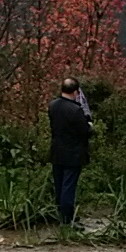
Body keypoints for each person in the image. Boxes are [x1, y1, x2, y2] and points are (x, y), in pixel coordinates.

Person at [48, 78, 94, 228]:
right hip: (73, 153)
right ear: (75, 92)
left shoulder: (52, 106)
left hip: (57, 151)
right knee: (69, 187)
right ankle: (67, 220)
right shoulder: (76, 110)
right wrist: (89, 125)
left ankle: (61, 215)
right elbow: (85, 131)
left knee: (59, 185)